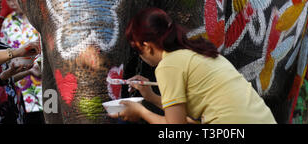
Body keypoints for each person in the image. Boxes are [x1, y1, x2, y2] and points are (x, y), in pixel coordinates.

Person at [108, 7, 276, 124]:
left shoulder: (168, 66)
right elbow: (183, 114)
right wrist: (150, 97)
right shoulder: (196, 52)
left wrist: (141, 112)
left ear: (146, 45)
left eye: (137, 50)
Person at [0, 0, 44, 124]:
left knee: (50, 116)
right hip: (20, 85)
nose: (12, 3)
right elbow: (2, 53)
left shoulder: (39, 18)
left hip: (44, 83)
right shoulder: (7, 23)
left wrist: (38, 65)